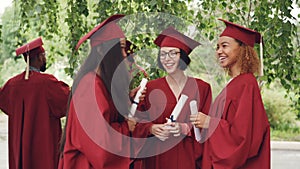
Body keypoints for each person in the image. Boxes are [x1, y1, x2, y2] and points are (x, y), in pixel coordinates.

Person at [59, 14, 142, 169]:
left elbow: (106, 117)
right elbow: (101, 146)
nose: (125, 55)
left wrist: (129, 100)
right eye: (121, 48)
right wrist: (126, 127)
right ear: (101, 51)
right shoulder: (89, 87)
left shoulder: (100, 83)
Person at [190, 19, 270, 169]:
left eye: (225, 46)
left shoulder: (246, 84)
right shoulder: (235, 84)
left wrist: (209, 122)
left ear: (242, 49)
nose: (219, 51)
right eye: (218, 47)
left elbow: (243, 137)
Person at [132, 26, 212, 169]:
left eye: (172, 53)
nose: (167, 59)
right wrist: (152, 128)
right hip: (157, 159)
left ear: (182, 56)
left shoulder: (202, 88)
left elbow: (210, 126)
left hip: (188, 160)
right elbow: (135, 123)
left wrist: (185, 128)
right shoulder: (150, 88)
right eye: (163, 54)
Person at [0, 37, 70, 169]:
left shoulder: (12, 84)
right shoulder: (48, 83)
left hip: (20, 149)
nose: (45, 59)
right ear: (38, 57)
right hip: (43, 148)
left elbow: (2, 100)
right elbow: (69, 100)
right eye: (44, 55)